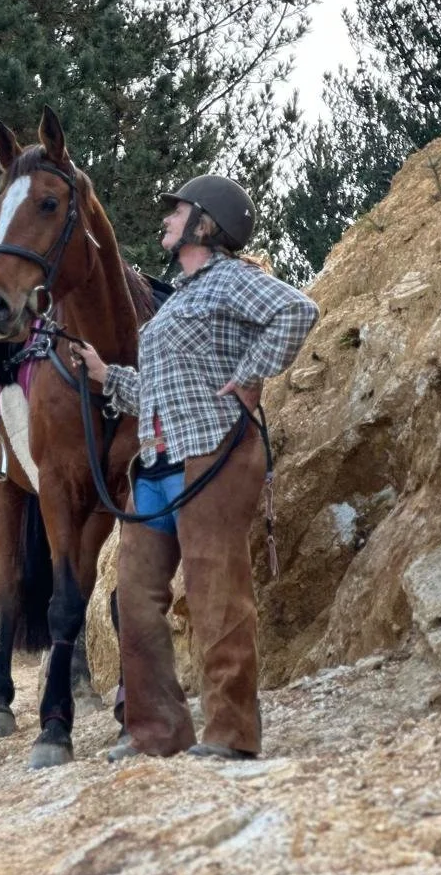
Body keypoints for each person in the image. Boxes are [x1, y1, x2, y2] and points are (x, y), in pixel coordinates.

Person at [71, 175, 318, 761]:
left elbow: (297, 310)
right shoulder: (178, 298)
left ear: (205, 224)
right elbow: (158, 389)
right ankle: (157, 732)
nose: (166, 219)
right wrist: (108, 377)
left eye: (176, 211)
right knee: (133, 598)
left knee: (216, 595)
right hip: (157, 463)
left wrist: (253, 375)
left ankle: (232, 734)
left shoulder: (232, 280)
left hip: (214, 451)